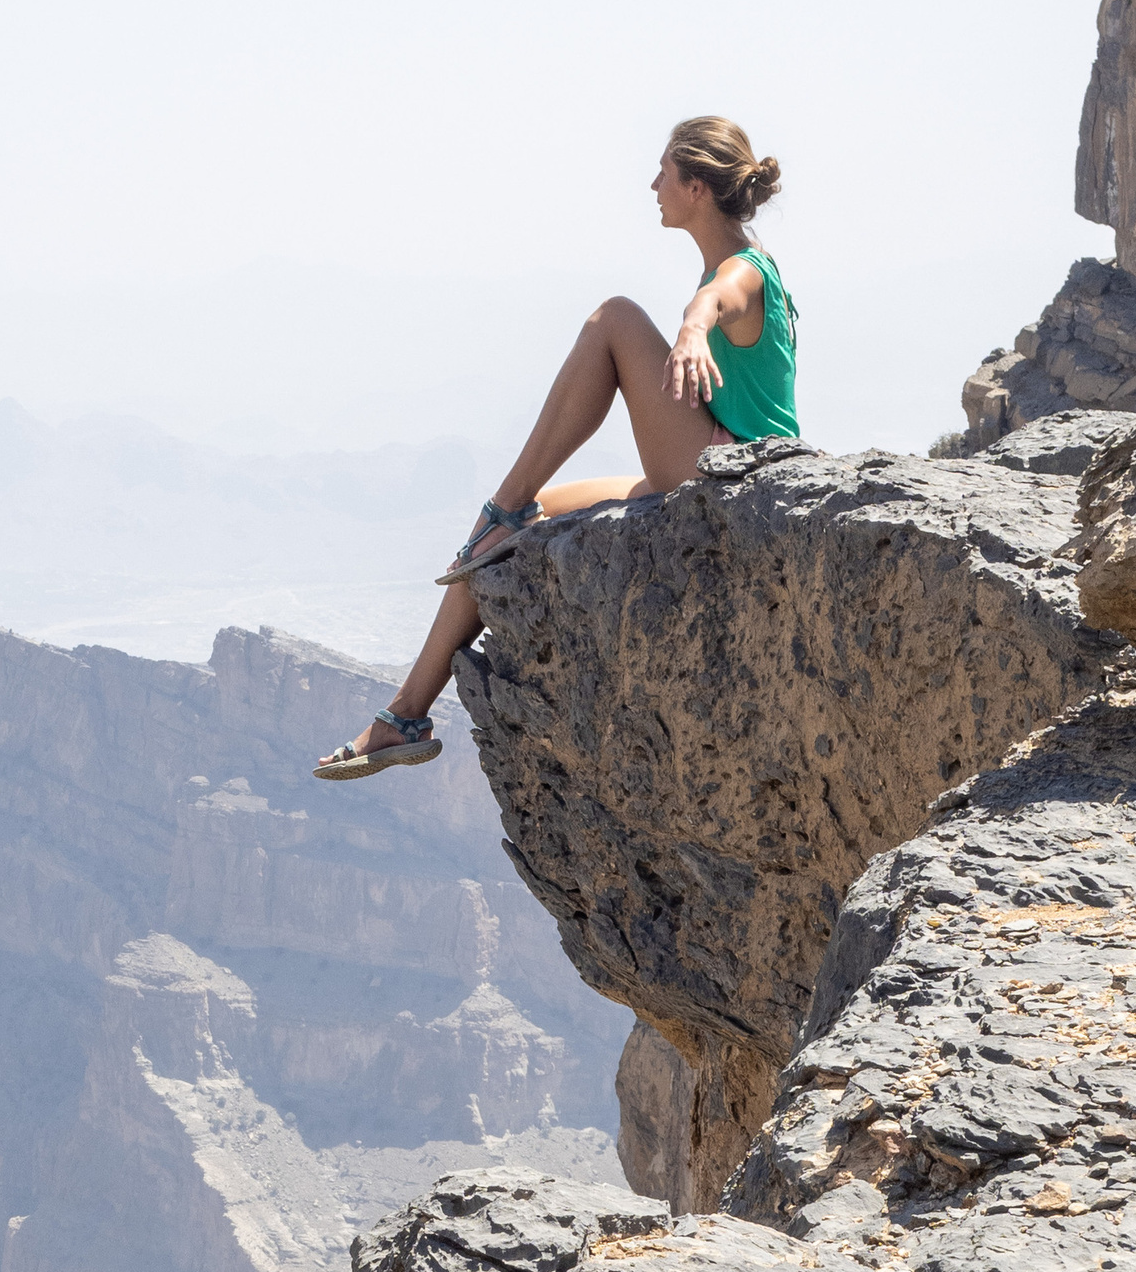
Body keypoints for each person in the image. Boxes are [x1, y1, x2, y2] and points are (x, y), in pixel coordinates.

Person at [316, 116, 796, 779]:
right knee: (514, 532)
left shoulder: (743, 271)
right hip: (713, 462)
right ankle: (405, 716)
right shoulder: (738, 259)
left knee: (616, 318)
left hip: (731, 475)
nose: (652, 185)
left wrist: (691, 330)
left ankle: (504, 505)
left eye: (664, 172)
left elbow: (717, 300)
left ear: (697, 188)